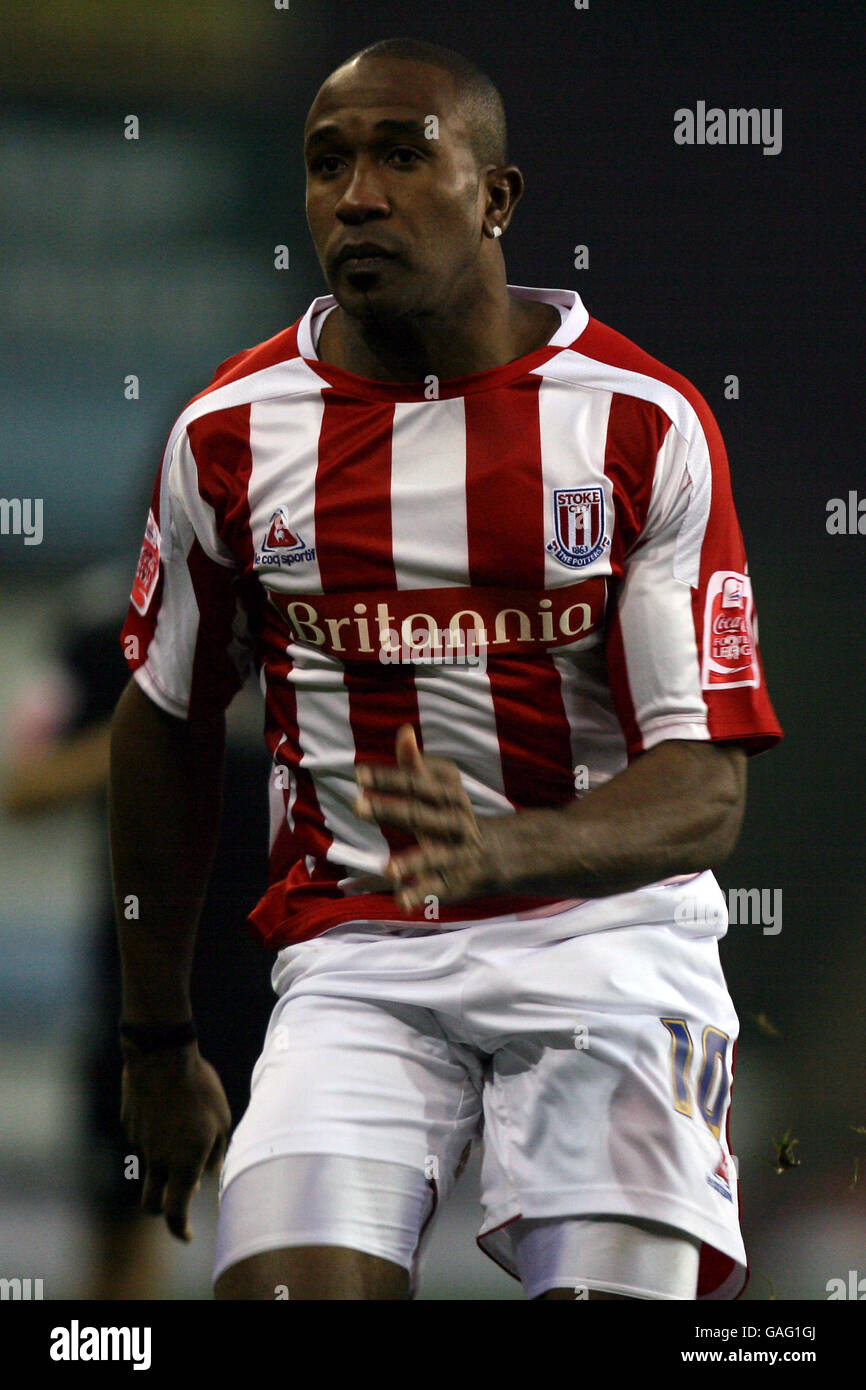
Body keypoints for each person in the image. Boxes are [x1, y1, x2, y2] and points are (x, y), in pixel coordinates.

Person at [109, 37, 782, 1302]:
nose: (356, 194)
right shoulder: (228, 437)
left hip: (611, 949)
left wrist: (505, 851)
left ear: (496, 197)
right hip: (360, 956)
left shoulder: (638, 424)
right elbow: (163, 722)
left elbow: (704, 790)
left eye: (401, 156)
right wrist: (157, 1042)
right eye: (327, 163)